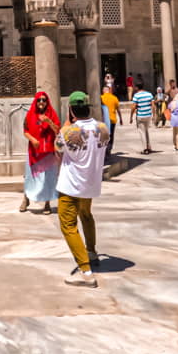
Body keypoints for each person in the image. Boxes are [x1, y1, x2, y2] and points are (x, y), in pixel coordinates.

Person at [56, 91, 106, 288]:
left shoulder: (68, 132)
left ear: (71, 110)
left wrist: (68, 123)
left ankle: (85, 271)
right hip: (91, 183)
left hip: (71, 185)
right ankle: (91, 252)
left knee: (68, 225)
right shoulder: (103, 129)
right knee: (86, 215)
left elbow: (57, 147)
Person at [20, 90, 61, 215]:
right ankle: (26, 199)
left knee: (48, 178)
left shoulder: (52, 114)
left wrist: (49, 121)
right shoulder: (30, 115)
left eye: (44, 100)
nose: (41, 102)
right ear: (36, 102)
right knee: (31, 177)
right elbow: (25, 131)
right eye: (39, 100)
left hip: (48, 152)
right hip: (34, 152)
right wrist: (33, 140)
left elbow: (57, 130)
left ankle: (47, 203)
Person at [131, 82, 154, 153]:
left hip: (141, 115)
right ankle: (149, 146)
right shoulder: (149, 94)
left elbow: (134, 107)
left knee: (142, 132)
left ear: (137, 88)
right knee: (146, 131)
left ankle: (145, 148)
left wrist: (131, 116)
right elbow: (153, 105)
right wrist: (154, 115)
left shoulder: (136, 95)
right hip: (148, 115)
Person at [99, 82, 120, 147]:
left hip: (103, 120)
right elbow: (118, 109)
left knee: (103, 135)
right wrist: (121, 119)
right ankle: (109, 148)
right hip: (112, 119)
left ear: (103, 91)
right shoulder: (114, 98)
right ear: (109, 90)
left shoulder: (100, 98)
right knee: (111, 135)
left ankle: (104, 147)